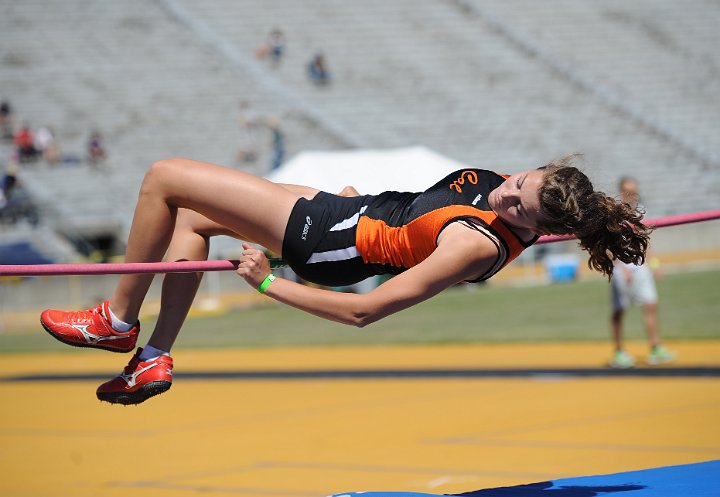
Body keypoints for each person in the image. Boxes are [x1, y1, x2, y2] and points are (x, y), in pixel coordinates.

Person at [40, 154, 650, 405]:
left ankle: (117, 321)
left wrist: (265, 283)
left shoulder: (474, 245)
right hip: (345, 212)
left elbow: (367, 311)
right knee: (193, 220)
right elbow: (417, 212)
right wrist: (368, 207)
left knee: (164, 178)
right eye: (522, 181)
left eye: (521, 207)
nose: (507, 193)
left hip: (330, 239)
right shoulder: (503, 199)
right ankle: (153, 357)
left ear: (538, 229)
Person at [608, 177, 675, 369]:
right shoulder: (613, 214)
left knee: (651, 304)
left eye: (635, 191)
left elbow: (644, 242)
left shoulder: (640, 212)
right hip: (623, 269)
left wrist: (654, 264)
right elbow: (608, 245)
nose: (633, 195)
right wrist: (620, 267)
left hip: (641, 266)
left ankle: (656, 347)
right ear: (621, 192)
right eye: (629, 191)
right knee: (620, 310)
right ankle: (619, 351)